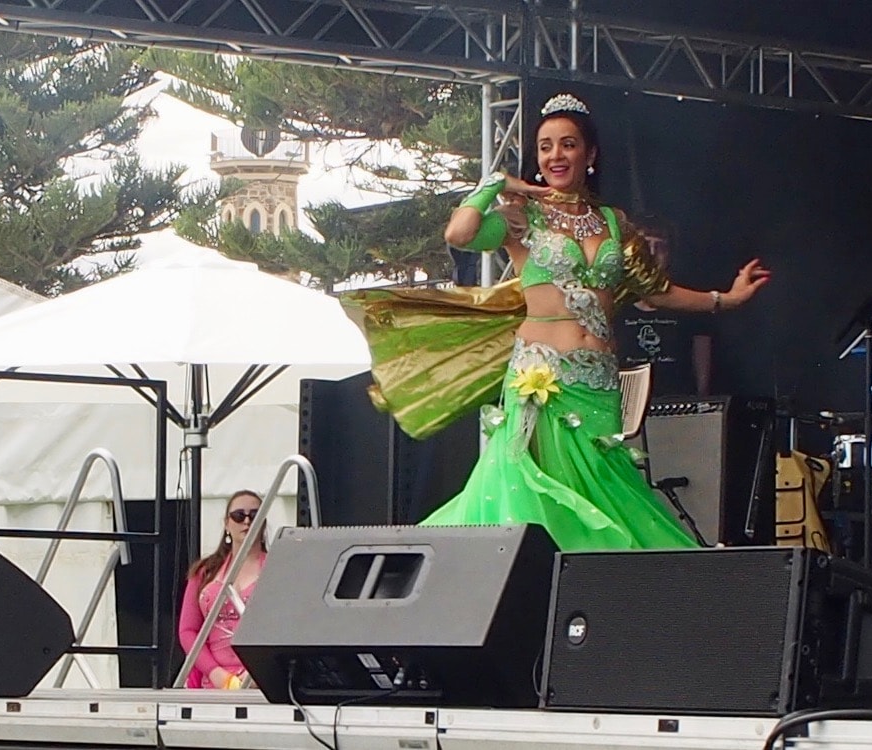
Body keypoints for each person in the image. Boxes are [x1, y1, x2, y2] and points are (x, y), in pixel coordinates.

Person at [347, 92, 770, 552]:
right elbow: (460, 233)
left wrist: (724, 299)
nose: (555, 156)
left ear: (590, 155)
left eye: (567, 144)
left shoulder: (614, 222)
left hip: (598, 382)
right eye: (545, 146)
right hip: (542, 378)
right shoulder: (520, 217)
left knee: (603, 490)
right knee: (535, 495)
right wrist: (500, 183)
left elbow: (656, 289)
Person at [612, 216, 713, 396]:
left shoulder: (687, 299)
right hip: (628, 401)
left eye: (660, 247)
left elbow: (701, 347)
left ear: (670, 253)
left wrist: (701, 396)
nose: (651, 253)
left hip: (677, 399)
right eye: (644, 246)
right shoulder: (615, 301)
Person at [178, 490, 267, 689]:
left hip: (261, 683)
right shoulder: (204, 572)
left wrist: (259, 671)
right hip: (212, 683)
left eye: (254, 515)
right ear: (226, 523)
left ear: (263, 522)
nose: (246, 521)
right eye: (238, 516)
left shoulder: (276, 568)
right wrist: (214, 672)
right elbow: (187, 631)